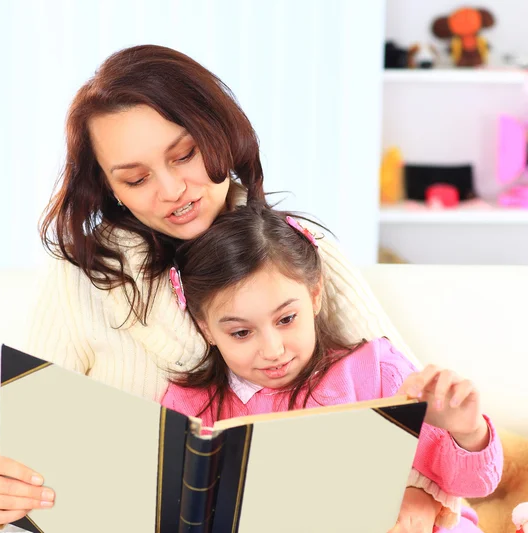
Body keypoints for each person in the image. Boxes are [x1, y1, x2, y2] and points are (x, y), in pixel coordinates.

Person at [0, 45, 450, 531]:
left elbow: (412, 407)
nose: (172, 189)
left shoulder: (297, 248)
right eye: (136, 178)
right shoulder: (80, 275)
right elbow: (25, 455)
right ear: (110, 188)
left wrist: (414, 491)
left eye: (185, 155)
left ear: (218, 133)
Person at [161, 203, 504, 532]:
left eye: (286, 319)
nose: (273, 350)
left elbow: (475, 484)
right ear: (206, 329)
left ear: (314, 295)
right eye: (241, 332)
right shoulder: (189, 408)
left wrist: (468, 433)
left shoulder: (374, 371)